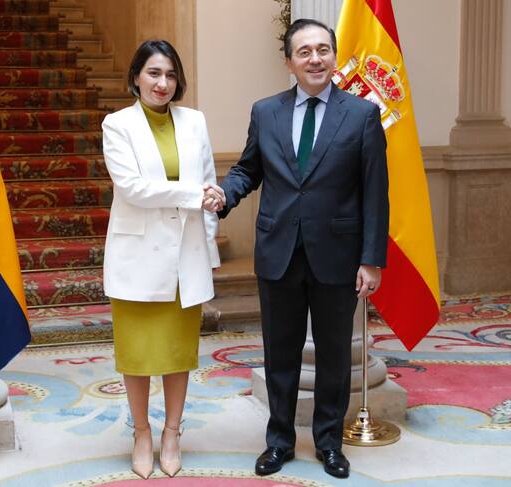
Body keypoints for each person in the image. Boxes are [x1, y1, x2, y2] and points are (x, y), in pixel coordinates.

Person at [217, 19, 389, 479]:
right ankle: (279, 442)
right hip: (278, 252)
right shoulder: (265, 112)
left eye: (323, 50)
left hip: (337, 255)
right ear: (289, 62)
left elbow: (375, 192)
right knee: (280, 354)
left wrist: (371, 259)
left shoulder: (362, 115)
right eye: (305, 52)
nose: (315, 59)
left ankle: (330, 443)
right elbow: (248, 169)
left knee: (334, 356)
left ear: (334, 56)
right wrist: (224, 195)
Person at [101, 39, 225, 479]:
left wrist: (208, 247)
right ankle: (141, 433)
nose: (163, 83)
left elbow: (209, 185)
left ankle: (172, 432)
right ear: (136, 76)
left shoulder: (195, 121)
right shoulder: (117, 125)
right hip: (136, 259)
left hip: (184, 259)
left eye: (171, 75)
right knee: (136, 355)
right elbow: (133, 188)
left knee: (177, 354)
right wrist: (194, 195)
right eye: (153, 73)